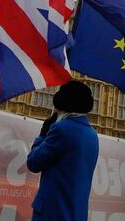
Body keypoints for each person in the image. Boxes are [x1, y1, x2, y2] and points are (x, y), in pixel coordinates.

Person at [26, 80, 99, 221]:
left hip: (53, 213)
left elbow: (33, 163)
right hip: (76, 214)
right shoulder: (92, 135)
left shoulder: (62, 128)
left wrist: (42, 135)